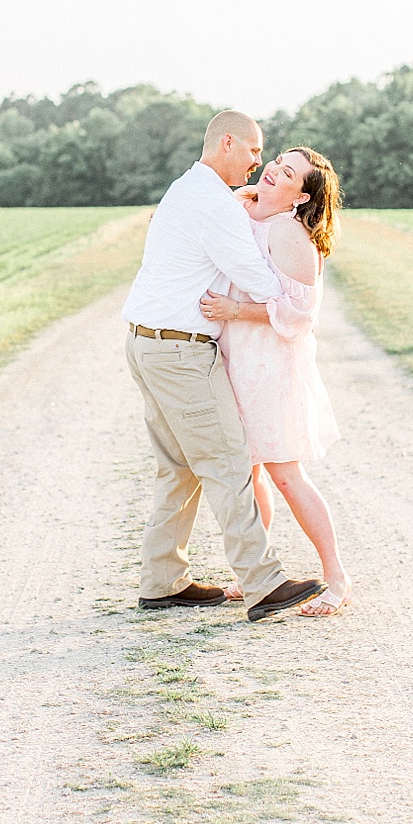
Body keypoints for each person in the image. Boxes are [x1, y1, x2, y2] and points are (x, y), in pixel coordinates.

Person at [121, 110, 326, 622]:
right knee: (229, 463)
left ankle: (163, 581)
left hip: (147, 344)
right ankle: (263, 583)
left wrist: (251, 206)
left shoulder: (188, 187)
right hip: (180, 352)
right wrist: (288, 287)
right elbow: (261, 282)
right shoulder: (215, 204)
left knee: (179, 468)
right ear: (229, 143)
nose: (259, 163)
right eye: (256, 151)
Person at [199, 146, 353, 617]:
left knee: (286, 473)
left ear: (301, 195)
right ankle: (256, 573)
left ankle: (336, 577)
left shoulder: (289, 234)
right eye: (276, 162)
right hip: (238, 362)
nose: (272, 170)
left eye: (287, 172)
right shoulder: (248, 213)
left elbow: (300, 313)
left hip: (272, 368)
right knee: (249, 472)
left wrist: (235, 311)